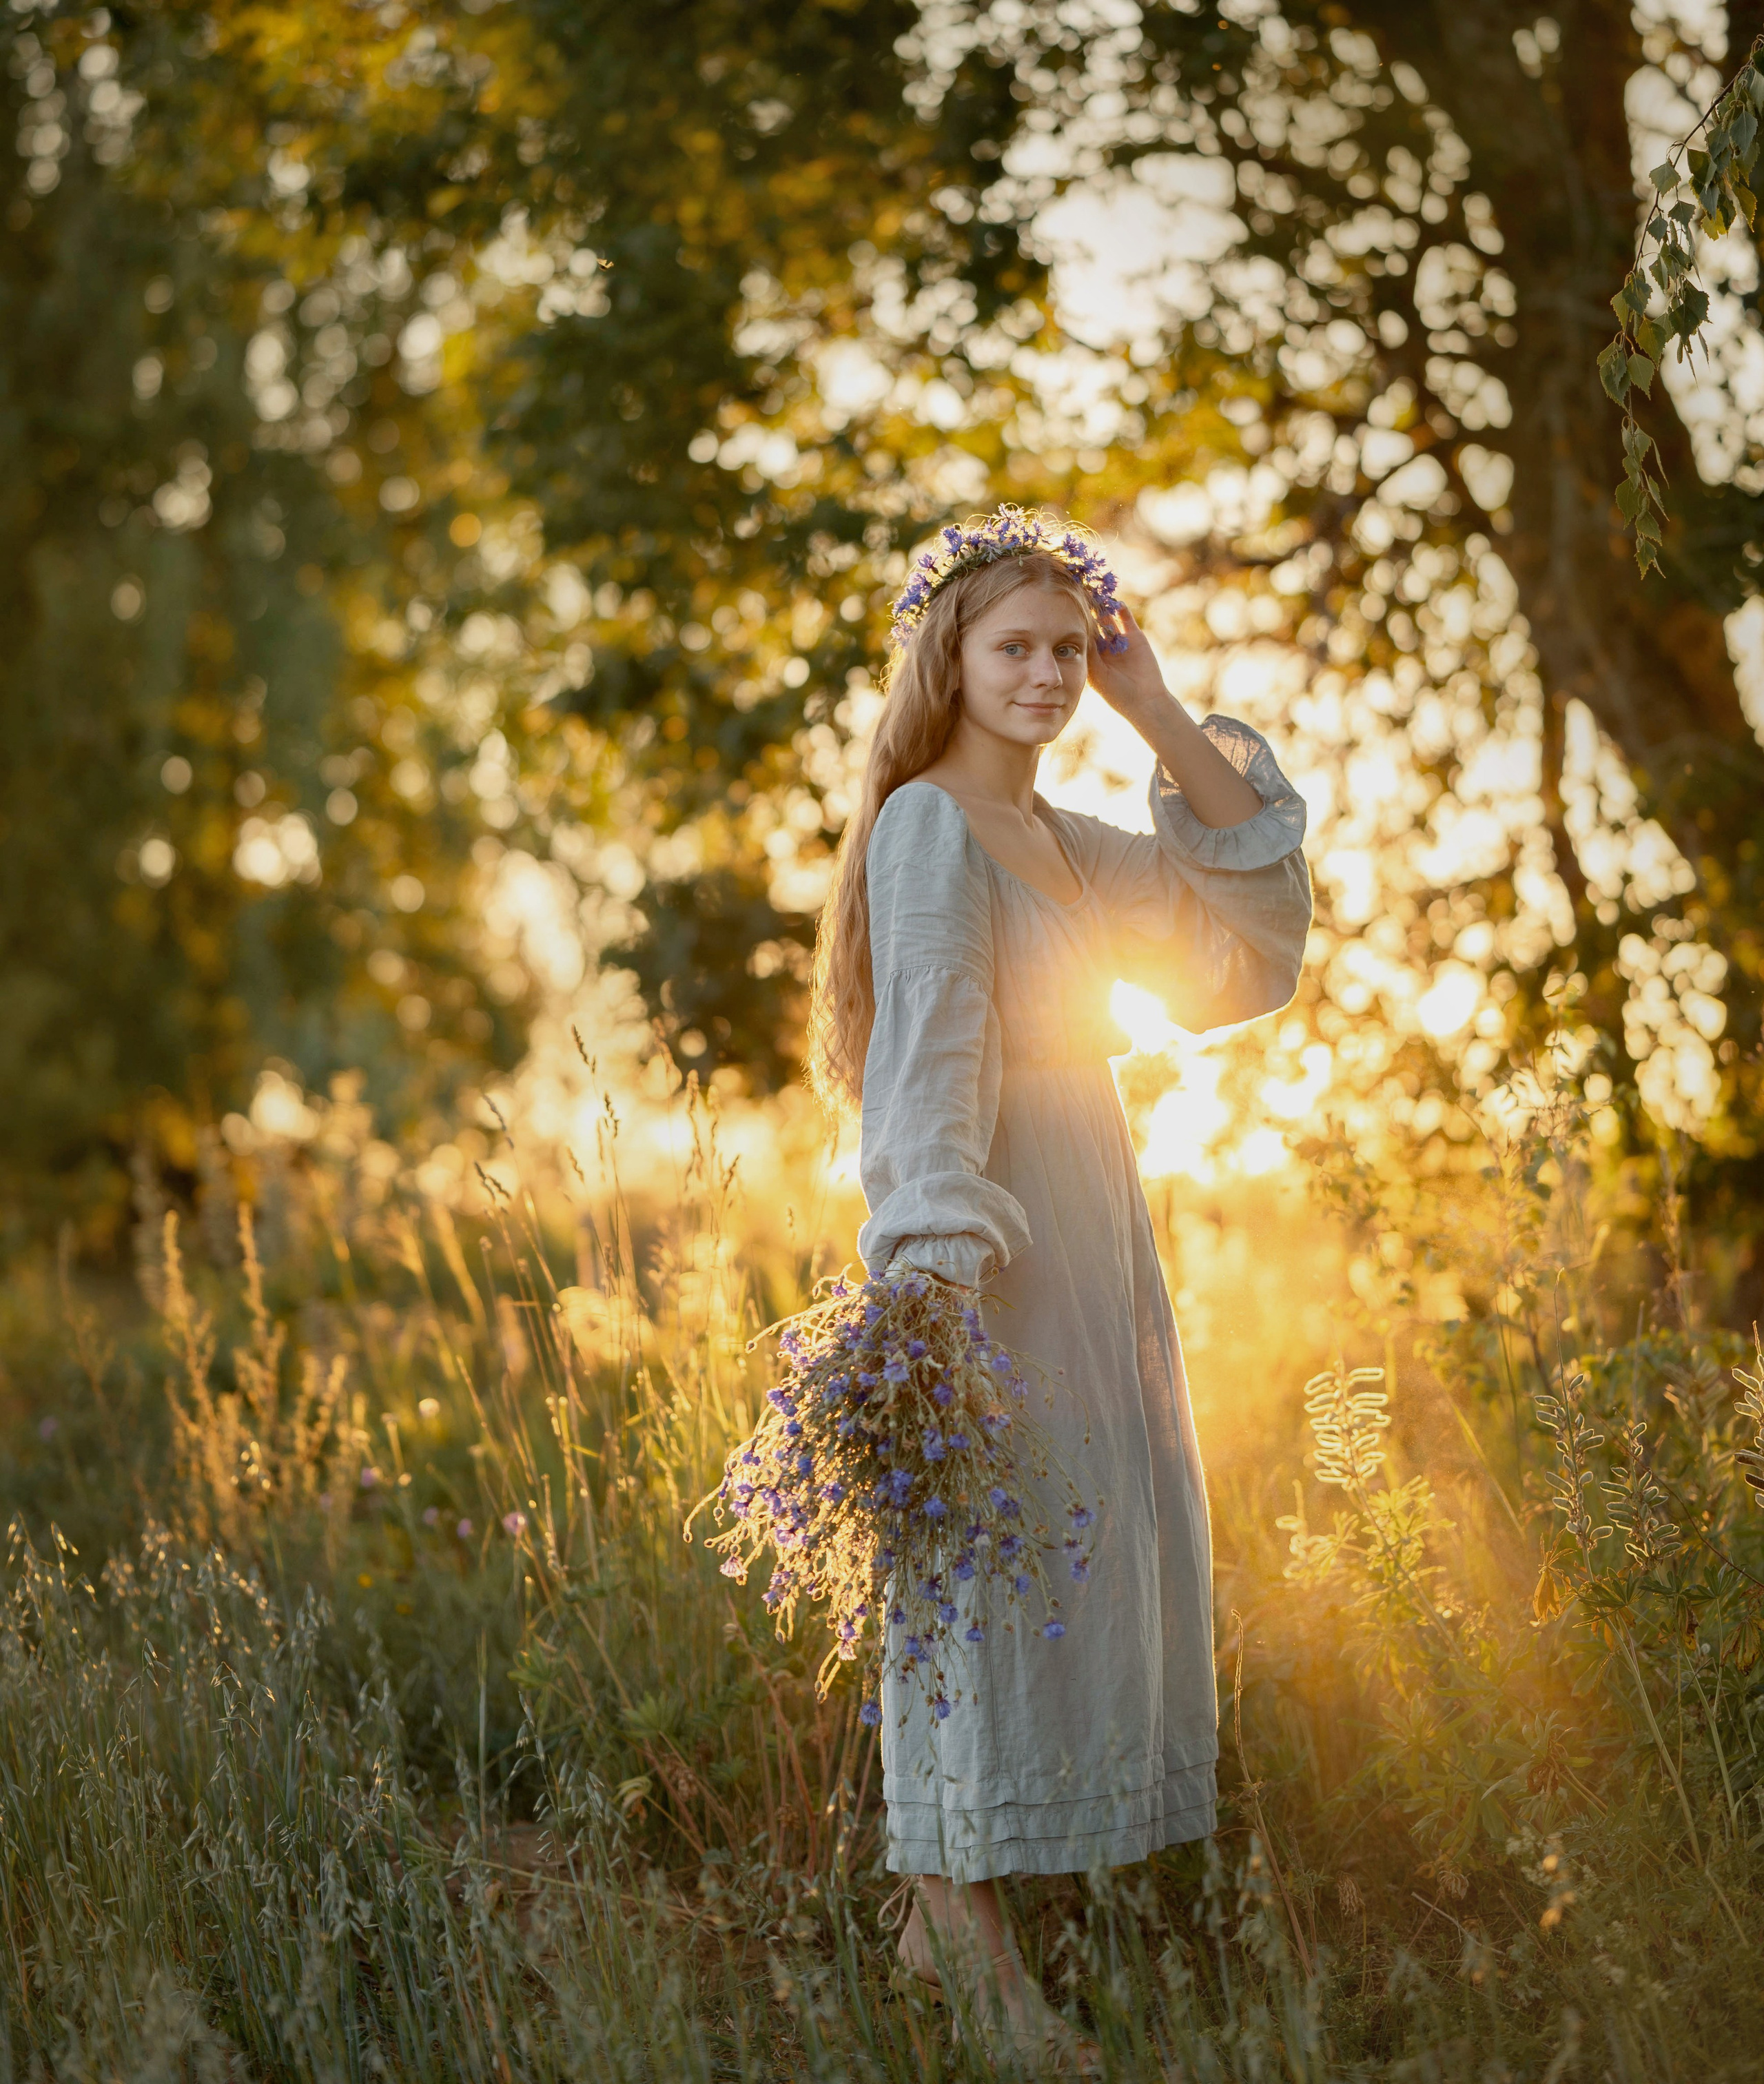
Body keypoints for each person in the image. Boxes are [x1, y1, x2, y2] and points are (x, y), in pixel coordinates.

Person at [807, 510, 1313, 2066]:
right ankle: (957, 1938)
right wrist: (933, 1284)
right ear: (948, 661)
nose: (1040, 674)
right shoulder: (929, 831)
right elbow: (931, 1052)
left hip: (1092, 1234)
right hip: (992, 1247)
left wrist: (1151, 708)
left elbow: (1248, 945)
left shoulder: (1063, 839)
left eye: (1061, 648)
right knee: (977, 1580)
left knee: (1068, 1563)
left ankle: (936, 1913)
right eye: (1011, 647)